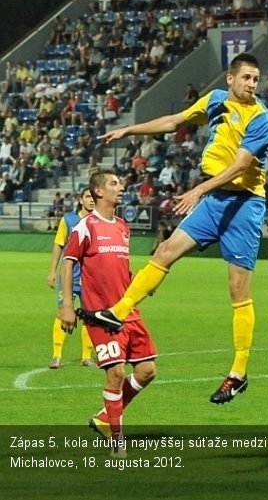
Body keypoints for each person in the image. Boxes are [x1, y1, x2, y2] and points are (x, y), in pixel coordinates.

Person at [93, 53, 268, 404]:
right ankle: (116, 313)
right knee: (165, 252)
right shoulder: (215, 101)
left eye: (256, 79)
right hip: (214, 199)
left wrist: (198, 189)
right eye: (247, 78)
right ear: (231, 79)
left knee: (238, 289)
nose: (252, 84)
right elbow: (174, 121)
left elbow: (240, 167)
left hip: (244, 205)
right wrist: (130, 129)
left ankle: (238, 372)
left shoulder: (261, 119)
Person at [58, 170, 157, 458]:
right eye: (114, 184)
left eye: (120, 183)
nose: (121, 187)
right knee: (116, 372)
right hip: (99, 314)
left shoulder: (124, 227)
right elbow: (68, 262)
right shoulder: (85, 226)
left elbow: (119, 267)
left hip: (128, 310)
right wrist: (66, 305)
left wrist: (140, 282)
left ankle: (104, 417)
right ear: (98, 192)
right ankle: (117, 443)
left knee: (147, 370)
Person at [46, 188, 96, 369]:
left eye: (94, 197)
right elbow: (59, 245)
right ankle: (56, 355)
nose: (91, 200)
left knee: (90, 317)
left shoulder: (100, 221)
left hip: (91, 279)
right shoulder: (68, 220)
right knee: (63, 313)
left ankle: (86, 356)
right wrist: (52, 271)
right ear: (81, 200)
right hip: (69, 276)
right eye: (88, 197)